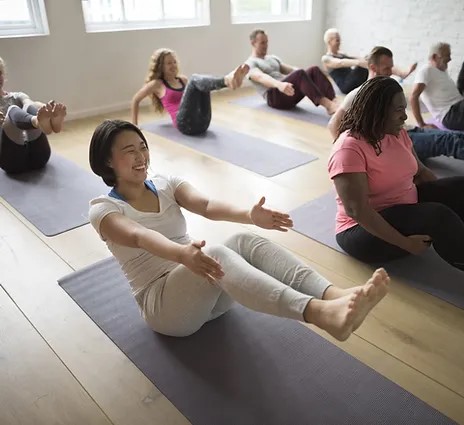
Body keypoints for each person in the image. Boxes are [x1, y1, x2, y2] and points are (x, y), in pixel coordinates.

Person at [88, 119, 390, 341]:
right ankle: (319, 314)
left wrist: (250, 215)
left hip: (209, 293)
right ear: (107, 160)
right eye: (130, 151)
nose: (141, 156)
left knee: (244, 240)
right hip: (167, 308)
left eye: (143, 147)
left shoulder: (166, 183)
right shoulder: (104, 210)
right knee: (214, 253)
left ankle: (334, 295)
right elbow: (140, 236)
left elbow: (206, 205)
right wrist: (182, 254)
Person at [329, 76, 464, 302]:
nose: (405, 116)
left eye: (404, 109)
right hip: (361, 232)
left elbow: (421, 172)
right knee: (438, 217)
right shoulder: (348, 148)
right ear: (377, 111)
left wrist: (449, 197)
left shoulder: (397, 133)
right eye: (398, 110)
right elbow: (359, 211)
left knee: (462, 186)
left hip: (401, 208)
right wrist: (406, 243)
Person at [328, 47, 464, 169]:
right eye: (386, 68)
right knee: (449, 140)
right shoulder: (360, 93)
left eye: (391, 66)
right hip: (397, 145)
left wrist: (421, 126)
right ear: (373, 68)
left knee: (460, 138)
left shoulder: (383, 89)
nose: (391, 71)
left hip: (407, 135)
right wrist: (357, 158)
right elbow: (333, 125)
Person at [131, 48, 249, 136]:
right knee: (194, 79)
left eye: (174, 62)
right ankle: (226, 80)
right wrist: (135, 126)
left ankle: (229, 81)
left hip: (202, 123)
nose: (173, 65)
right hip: (185, 125)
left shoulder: (182, 80)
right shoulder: (157, 84)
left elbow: (193, 100)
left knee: (201, 85)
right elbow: (136, 100)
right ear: (160, 67)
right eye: (169, 63)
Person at [246, 29, 339, 115]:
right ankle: (329, 105)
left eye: (266, 42)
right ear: (253, 43)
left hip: (287, 90)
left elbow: (291, 70)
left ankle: (334, 101)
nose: (266, 45)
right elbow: (260, 77)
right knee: (300, 74)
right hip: (274, 97)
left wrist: (306, 77)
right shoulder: (250, 64)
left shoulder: (271, 58)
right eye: (262, 43)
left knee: (313, 70)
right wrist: (279, 85)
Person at [0, 56, 67, 174]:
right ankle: (37, 121)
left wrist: (47, 109)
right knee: (12, 110)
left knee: (31, 104)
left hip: (39, 156)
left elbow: (29, 104)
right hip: (12, 160)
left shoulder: (16, 96)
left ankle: (50, 123)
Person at [321, 28, 417, 94]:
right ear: (329, 41)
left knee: (371, 58)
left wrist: (369, 59)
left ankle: (393, 76)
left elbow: (356, 58)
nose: (339, 42)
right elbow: (340, 62)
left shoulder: (341, 53)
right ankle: (400, 74)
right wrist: (361, 63)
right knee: (369, 62)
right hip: (346, 86)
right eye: (337, 40)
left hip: (354, 81)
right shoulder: (326, 58)